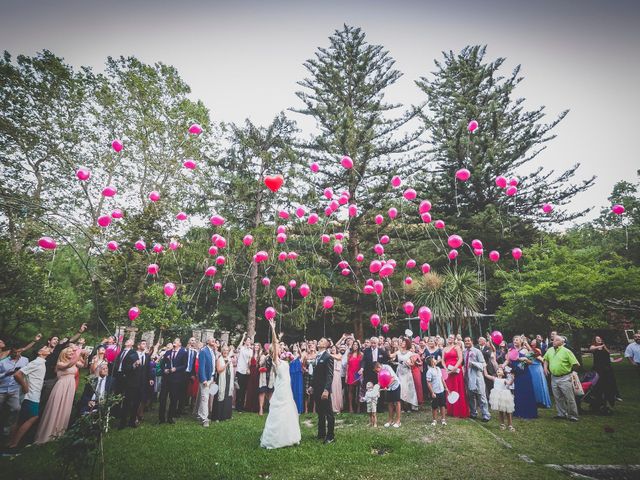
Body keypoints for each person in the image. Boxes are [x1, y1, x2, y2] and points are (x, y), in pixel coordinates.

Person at [260, 319, 302, 449]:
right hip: (281, 390)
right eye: (278, 347)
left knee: (288, 410)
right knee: (280, 410)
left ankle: (289, 435)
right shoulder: (275, 361)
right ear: (274, 351)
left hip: (286, 388)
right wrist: (272, 329)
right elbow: (274, 342)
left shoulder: (283, 360)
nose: (281, 347)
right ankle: (276, 437)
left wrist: (279, 337)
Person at [4, 345, 51, 452]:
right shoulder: (37, 362)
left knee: (21, 419)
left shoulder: (41, 362)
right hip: (31, 395)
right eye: (45, 348)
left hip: (34, 395)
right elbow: (18, 374)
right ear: (41, 352)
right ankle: (13, 445)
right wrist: (25, 387)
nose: (48, 349)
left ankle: (10, 444)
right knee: (33, 417)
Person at [35, 346, 84, 444]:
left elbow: (82, 365)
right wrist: (77, 352)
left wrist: (84, 356)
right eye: (69, 352)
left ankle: (59, 433)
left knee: (65, 408)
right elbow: (68, 365)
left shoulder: (74, 363)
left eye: (72, 352)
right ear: (64, 354)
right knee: (55, 407)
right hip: (61, 386)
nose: (71, 353)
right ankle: (48, 434)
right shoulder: (60, 363)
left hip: (70, 387)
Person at [40, 323, 87, 411]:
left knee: (45, 400)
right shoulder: (42, 350)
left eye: (57, 340)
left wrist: (80, 331)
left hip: (50, 378)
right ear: (49, 341)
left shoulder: (58, 349)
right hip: (39, 376)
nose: (56, 341)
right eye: (54, 339)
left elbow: (71, 340)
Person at [543, 335, 580, 422]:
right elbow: (546, 359)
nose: (553, 341)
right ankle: (561, 414)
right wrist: (545, 368)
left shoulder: (567, 351)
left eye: (556, 340)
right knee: (558, 397)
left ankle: (573, 416)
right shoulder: (550, 350)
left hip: (565, 377)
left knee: (569, 397)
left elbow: (576, 364)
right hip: (554, 377)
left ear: (562, 342)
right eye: (553, 340)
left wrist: (573, 373)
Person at [121, 340, 153, 429]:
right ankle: (122, 422)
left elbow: (148, 369)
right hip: (131, 383)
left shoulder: (146, 356)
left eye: (146, 344)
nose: (145, 345)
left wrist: (150, 378)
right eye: (143, 344)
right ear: (138, 346)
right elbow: (125, 369)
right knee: (127, 402)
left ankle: (132, 421)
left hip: (141, 384)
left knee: (137, 403)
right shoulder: (131, 356)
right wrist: (134, 365)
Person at [0, 346, 29, 437]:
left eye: (19, 352)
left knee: (16, 408)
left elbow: (27, 374)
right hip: (2, 389)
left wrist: (25, 385)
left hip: (14, 390)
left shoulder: (25, 360)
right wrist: (6, 374)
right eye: (14, 352)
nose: (16, 354)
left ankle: (7, 429)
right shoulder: (3, 362)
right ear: (10, 351)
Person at [158, 338, 187, 424]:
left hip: (176, 379)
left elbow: (185, 365)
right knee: (163, 398)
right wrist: (164, 370)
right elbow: (162, 364)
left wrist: (176, 369)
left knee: (173, 399)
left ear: (180, 344)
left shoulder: (183, 353)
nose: (174, 341)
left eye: (176, 341)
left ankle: (170, 417)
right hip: (166, 378)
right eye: (174, 341)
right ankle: (161, 418)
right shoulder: (168, 352)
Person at [312, 337, 335, 444]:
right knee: (320, 412)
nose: (319, 342)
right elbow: (315, 374)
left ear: (326, 345)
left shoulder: (328, 357)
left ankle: (330, 436)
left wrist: (326, 390)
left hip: (324, 389)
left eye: (321, 341)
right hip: (316, 388)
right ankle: (321, 433)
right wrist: (312, 386)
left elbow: (330, 375)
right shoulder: (317, 356)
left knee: (328, 412)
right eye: (319, 340)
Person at [509, 336, 537, 419]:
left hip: (525, 373)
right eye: (514, 339)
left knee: (526, 391)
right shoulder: (511, 350)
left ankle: (528, 412)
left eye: (517, 339)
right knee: (518, 392)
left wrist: (524, 359)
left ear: (521, 341)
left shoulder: (525, 350)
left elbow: (531, 362)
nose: (515, 341)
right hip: (516, 373)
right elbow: (508, 360)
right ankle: (519, 412)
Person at [463, 337, 490, 422]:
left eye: (468, 341)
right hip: (468, 376)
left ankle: (485, 415)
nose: (467, 342)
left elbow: (483, 364)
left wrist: (474, 364)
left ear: (472, 341)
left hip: (477, 376)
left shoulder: (477, 351)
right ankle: (473, 413)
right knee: (470, 396)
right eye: (465, 341)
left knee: (481, 395)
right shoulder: (464, 352)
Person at [443, 334, 469, 418]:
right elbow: (443, 360)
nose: (450, 339)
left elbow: (461, 358)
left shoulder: (457, 347)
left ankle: (459, 410)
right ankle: (451, 410)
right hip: (448, 371)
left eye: (452, 338)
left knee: (457, 389)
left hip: (456, 370)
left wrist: (455, 367)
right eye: (449, 337)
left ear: (454, 340)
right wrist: (445, 368)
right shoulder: (444, 349)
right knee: (449, 389)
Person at [485, 366, 515, 431]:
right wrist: (484, 367)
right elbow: (486, 375)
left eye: (500, 370)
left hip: (505, 396)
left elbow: (509, 383)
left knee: (508, 411)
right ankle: (502, 424)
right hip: (498, 396)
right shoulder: (494, 378)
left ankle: (510, 425)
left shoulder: (504, 380)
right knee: (501, 411)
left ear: (503, 373)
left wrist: (512, 379)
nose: (498, 370)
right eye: (497, 370)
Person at [373, 362, 401, 428]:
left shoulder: (387, 367)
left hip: (395, 385)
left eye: (376, 370)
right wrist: (376, 388)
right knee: (390, 403)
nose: (376, 372)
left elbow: (393, 378)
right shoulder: (378, 372)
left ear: (379, 366)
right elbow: (380, 381)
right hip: (388, 387)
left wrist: (386, 385)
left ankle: (398, 421)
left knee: (397, 402)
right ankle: (390, 420)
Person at [197, 337, 216, 427]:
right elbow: (201, 367)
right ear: (207, 341)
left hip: (211, 377)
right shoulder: (203, 351)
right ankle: (205, 419)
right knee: (205, 398)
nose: (214, 340)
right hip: (206, 378)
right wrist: (204, 379)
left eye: (214, 339)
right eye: (211, 339)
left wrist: (213, 378)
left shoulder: (213, 351)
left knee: (205, 397)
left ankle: (200, 414)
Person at [425, 355, 448, 427]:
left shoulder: (438, 368)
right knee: (434, 407)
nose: (435, 360)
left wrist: (446, 387)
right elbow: (428, 383)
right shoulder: (429, 371)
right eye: (434, 359)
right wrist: (432, 392)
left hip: (441, 390)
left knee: (442, 405)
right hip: (435, 392)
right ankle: (434, 420)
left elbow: (442, 379)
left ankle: (443, 419)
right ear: (431, 363)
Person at [529, 339, 552, 408]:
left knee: (538, 384)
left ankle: (541, 401)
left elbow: (542, 359)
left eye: (533, 341)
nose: (532, 341)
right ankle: (535, 400)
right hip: (531, 368)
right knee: (533, 385)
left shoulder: (537, 350)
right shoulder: (530, 349)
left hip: (536, 369)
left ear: (536, 343)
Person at [216, 345, 234, 421]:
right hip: (221, 380)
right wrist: (226, 365)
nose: (225, 352)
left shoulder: (229, 358)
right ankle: (218, 416)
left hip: (229, 379)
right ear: (222, 351)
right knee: (221, 396)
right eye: (224, 350)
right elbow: (219, 370)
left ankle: (226, 415)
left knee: (227, 397)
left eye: (227, 350)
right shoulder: (219, 359)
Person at [235, 332, 253, 412]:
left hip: (246, 371)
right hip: (240, 370)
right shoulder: (242, 348)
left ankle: (242, 406)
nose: (249, 342)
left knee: (244, 389)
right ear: (245, 341)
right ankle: (237, 406)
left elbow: (249, 361)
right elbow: (238, 347)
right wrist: (243, 337)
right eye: (247, 340)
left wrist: (248, 368)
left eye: (250, 340)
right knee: (239, 389)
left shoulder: (251, 351)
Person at [346, 340, 363, 413]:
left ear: (358, 346)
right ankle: (351, 407)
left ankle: (359, 407)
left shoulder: (361, 354)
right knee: (351, 390)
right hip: (350, 373)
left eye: (356, 344)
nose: (355, 346)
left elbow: (362, 364)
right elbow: (347, 365)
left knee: (358, 391)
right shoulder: (349, 354)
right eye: (354, 344)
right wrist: (346, 375)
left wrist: (362, 373)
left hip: (358, 373)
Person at [258, 344, 275, 416]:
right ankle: (261, 409)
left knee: (270, 393)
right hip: (264, 377)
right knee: (262, 392)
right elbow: (260, 364)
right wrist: (265, 358)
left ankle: (270, 409)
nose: (269, 350)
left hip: (271, 377)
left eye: (270, 349)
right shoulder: (263, 356)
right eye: (268, 349)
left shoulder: (274, 357)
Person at [245, 343, 261, 413]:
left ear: (259, 347)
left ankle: (255, 407)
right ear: (254, 347)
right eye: (255, 346)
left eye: (257, 346)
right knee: (250, 388)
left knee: (256, 388)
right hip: (251, 372)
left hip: (257, 373)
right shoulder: (251, 355)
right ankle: (249, 407)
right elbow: (248, 364)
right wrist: (248, 368)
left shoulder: (260, 355)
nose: (256, 347)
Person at [289, 343, 304, 414]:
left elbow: (300, 355)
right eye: (294, 347)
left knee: (298, 391)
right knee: (292, 390)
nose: (295, 348)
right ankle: (291, 409)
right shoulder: (289, 356)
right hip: (291, 374)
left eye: (296, 347)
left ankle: (299, 409)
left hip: (298, 375)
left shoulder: (299, 356)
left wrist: (298, 347)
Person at [329, 345, 343, 413]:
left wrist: (329, 354)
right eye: (332, 349)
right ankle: (331, 407)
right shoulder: (329, 356)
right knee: (331, 391)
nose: (333, 349)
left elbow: (337, 358)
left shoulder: (339, 355)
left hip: (337, 374)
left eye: (334, 348)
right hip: (331, 374)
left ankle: (337, 407)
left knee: (336, 390)